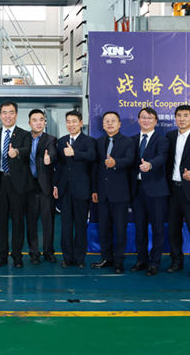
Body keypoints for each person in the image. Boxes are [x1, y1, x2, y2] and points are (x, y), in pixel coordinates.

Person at [0, 101, 33, 269]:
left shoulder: (24, 134)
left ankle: (17, 255)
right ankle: (1, 256)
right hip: (0, 182)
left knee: (18, 220)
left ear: (16, 114)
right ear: (0, 115)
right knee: (0, 222)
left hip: (17, 184)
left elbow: (27, 149)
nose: (8, 115)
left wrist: (17, 151)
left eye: (11, 112)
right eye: (4, 112)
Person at [165, 105, 190, 278]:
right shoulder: (169, 137)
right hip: (172, 190)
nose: (181, 119)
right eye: (179, 115)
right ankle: (176, 261)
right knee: (173, 229)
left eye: (185, 116)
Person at [92, 111, 135, 274]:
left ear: (119, 124)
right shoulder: (99, 142)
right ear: (103, 125)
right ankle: (106, 258)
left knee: (120, 229)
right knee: (104, 228)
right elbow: (95, 167)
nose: (110, 124)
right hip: (102, 193)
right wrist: (94, 189)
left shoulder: (128, 142)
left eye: (113, 121)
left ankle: (118, 261)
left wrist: (115, 162)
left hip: (120, 193)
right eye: (106, 121)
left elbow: (130, 160)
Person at [53, 110, 96, 269]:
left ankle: (79, 258)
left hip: (82, 189)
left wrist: (75, 153)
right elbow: (59, 165)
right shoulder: (61, 141)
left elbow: (92, 157)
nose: (71, 124)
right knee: (66, 225)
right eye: (68, 122)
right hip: (65, 189)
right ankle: (67, 257)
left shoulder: (89, 141)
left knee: (80, 225)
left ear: (80, 123)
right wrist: (56, 184)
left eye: (74, 121)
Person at [129, 107, 169, 276]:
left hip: (156, 190)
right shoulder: (131, 140)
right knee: (140, 228)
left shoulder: (162, 140)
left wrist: (150, 164)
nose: (146, 120)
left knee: (158, 228)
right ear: (138, 120)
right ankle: (142, 260)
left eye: (150, 118)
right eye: (143, 117)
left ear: (155, 121)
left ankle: (154, 262)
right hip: (137, 190)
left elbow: (162, 157)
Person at [27, 109, 57, 264]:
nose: (38, 123)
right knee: (31, 221)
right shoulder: (24, 138)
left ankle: (48, 251)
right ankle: (34, 252)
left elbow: (52, 153)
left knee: (48, 221)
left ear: (45, 122)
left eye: (41, 120)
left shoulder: (50, 139)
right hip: (28, 186)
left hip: (45, 185)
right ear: (29, 123)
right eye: (35, 120)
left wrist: (49, 158)